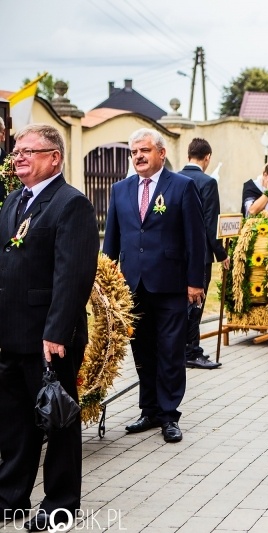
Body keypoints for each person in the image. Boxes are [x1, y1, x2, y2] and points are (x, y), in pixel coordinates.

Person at [0, 124, 99, 531]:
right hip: (10, 332)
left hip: (49, 337)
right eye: (16, 151)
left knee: (57, 419)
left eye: (29, 151)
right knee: (15, 423)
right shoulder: (13, 200)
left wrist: (57, 331)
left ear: (54, 158)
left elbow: (73, 275)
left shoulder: (71, 204)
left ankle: (60, 504)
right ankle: (11, 498)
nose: (18, 157)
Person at [103, 128, 205, 444]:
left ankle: (169, 415)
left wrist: (195, 282)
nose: (139, 157)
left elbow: (195, 238)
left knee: (171, 351)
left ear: (161, 153)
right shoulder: (120, 190)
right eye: (134, 152)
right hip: (132, 286)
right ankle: (148, 410)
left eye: (144, 150)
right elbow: (111, 240)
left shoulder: (182, 186)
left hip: (171, 284)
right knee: (142, 350)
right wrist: (106, 282)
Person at [180, 138, 229, 369]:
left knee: (181, 304)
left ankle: (180, 349)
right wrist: (221, 254)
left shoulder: (174, 179)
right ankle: (191, 351)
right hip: (199, 256)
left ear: (189, 155)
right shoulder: (208, 183)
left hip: (176, 255)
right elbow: (211, 224)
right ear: (207, 157)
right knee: (196, 304)